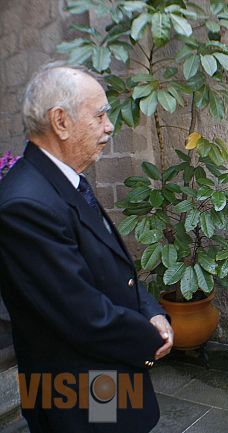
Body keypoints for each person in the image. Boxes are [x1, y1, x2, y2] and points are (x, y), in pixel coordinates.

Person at [0, 63, 173, 432]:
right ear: (60, 121)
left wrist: (151, 309)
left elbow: (109, 267)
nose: (110, 126)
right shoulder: (24, 204)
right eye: (100, 115)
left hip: (101, 373)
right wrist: (151, 336)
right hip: (72, 389)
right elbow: (82, 314)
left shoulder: (62, 179)